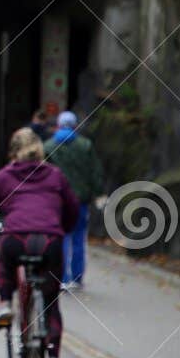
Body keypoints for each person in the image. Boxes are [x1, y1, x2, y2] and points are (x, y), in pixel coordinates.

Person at [0, 127, 80, 358]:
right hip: (49, 242)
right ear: (40, 151)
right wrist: (60, 228)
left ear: (12, 153)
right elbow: (73, 210)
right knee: (51, 301)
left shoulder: (2, 177)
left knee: (4, 259)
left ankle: (6, 306)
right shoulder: (56, 176)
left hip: (16, 239)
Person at [44, 110, 105, 291]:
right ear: (75, 125)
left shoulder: (48, 147)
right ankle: (77, 278)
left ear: (58, 125)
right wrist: (99, 193)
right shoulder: (85, 145)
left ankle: (62, 277)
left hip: (57, 200)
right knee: (78, 238)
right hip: (80, 200)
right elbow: (95, 172)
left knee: (60, 237)